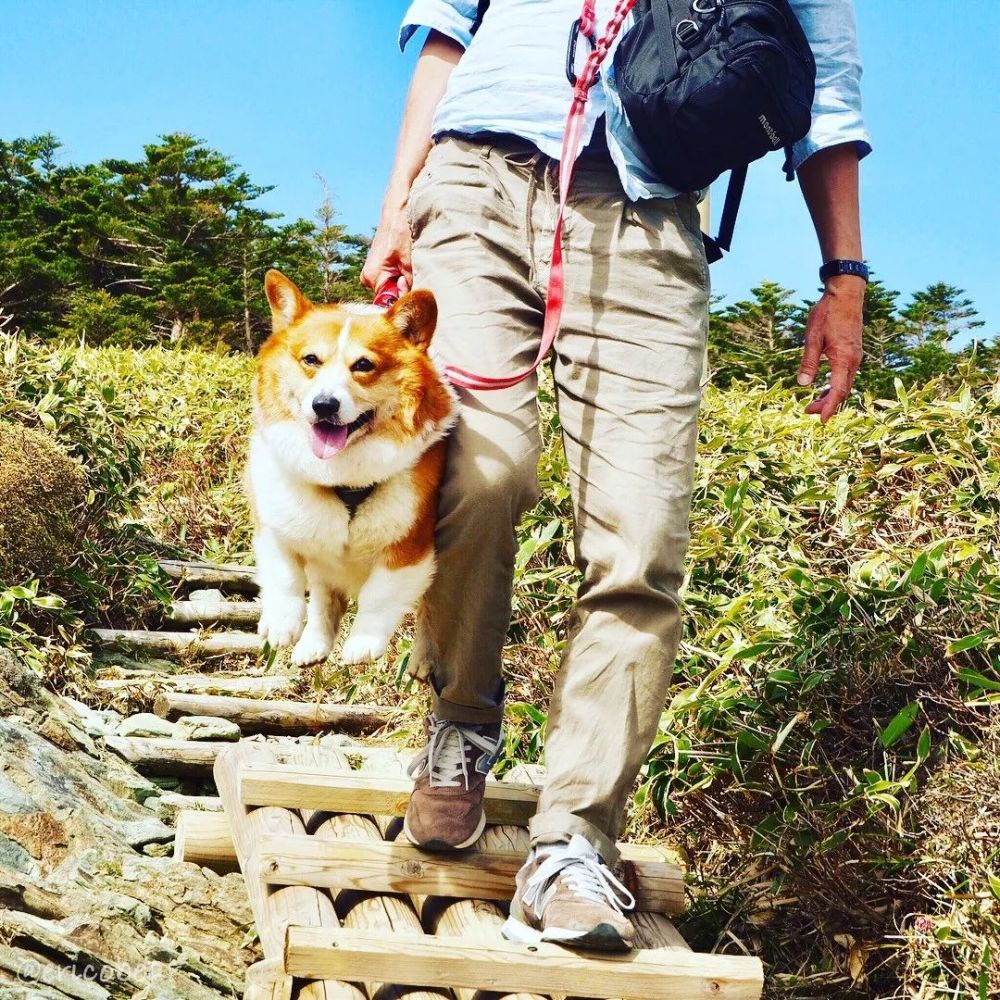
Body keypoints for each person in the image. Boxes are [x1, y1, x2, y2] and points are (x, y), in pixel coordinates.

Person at [362, 0, 871, 952]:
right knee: (475, 465)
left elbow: (826, 92)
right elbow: (446, 28)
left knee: (641, 542)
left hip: (647, 212)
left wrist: (843, 275)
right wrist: (399, 205)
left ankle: (574, 841)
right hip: (474, 181)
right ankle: (462, 723)